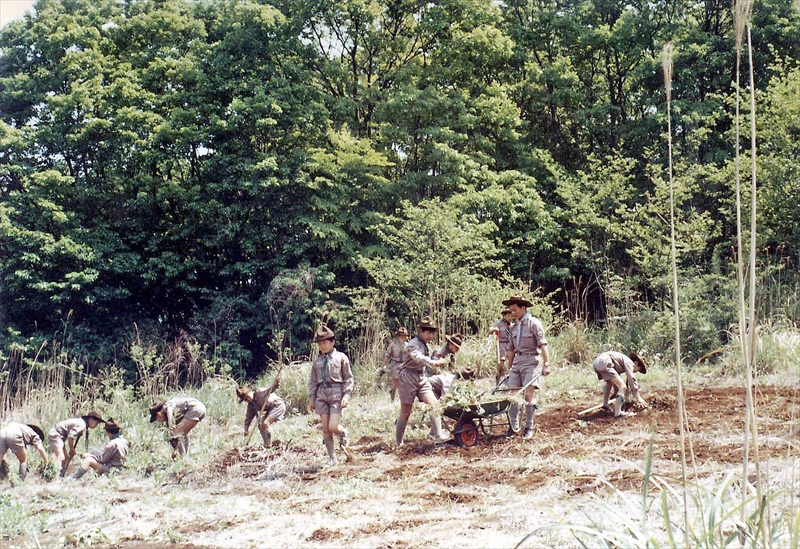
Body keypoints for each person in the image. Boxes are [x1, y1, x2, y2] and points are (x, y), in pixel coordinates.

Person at [395, 316, 450, 447]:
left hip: (421, 377)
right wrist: (434, 363)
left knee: (434, 404)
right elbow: (418, 357)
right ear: (421, 331)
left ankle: (438, 436)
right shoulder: (413, 344)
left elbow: (426, 359)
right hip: (408, 377)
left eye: (432, 332)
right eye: (428, 332)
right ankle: (398, 442)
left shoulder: (425, 344)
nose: (430, 335)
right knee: (406, 411)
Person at [503, 293, 550, 440]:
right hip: (517, 362)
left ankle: (529, 427)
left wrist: (547, 364)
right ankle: (513, 427)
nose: (512, 312)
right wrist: (509, 368)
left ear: (523, 308)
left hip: (532, 362)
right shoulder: (513, 326)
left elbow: (543, 344)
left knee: (528, 396)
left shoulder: (534, 324)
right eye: (511, 310)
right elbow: (511, 349)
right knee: (513, 396)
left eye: (515, 309)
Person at [308, 324, 354, 464]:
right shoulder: (317, 362)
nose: (322, 346)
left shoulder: (341, 358)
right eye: (320, 344)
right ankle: (332, 457)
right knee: (326, 429)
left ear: (333, 342)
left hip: (336, 394)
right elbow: (313, 382)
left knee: (333, 427)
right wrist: (312, 399)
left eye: (325, 343)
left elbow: (348, 378)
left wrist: (346, 396)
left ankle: (343, 433)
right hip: (322, 395)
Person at [48, 410, 105, 476]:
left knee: (66, 459)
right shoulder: (82, 425)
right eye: (97, 423)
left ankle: (61, 475)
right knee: (61, 457)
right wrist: (72, 449)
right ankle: (53, 475)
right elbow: (70, 437)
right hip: (56, 434)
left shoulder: (82, 423)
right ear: (91, 419)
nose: (96, 425)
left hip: (60, 436)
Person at [592, 351, 648, 417]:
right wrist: (638, 397)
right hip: (605, 361)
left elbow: (615, 380)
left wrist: (616, 392)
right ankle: (618, 413)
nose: (636, 372)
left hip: (597, 362)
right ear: (636, 363)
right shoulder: (629, 362)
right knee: (623, 387)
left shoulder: (621, 362)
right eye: (638, 369)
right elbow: (631, 378)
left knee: (609, 382)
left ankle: (605, 405)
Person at [236, 374, 286, 448]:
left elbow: (271, 389)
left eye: (247, 397)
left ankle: (269, 445)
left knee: (266, 424)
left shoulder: (260, 392)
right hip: (270, 410)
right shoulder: (251, 405)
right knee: (261, 425)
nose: (247, 399)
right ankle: (266, 444)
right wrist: (246, 430)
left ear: (250, 392)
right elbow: (248, 419)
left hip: (278, 406)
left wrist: (276, 383)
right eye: (245, 399)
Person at [381, 327, 408, 402]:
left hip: (405, 365)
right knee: (395, 382)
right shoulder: (393, 345)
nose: (403, 338)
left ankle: (404, 399)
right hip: (395, 364)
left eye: (404, 336)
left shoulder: (407, 345)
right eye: (401, 336)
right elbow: (387, 355)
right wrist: (383, 366)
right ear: (398, 336)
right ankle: (392, 398)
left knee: (405, 382)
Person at [489, 308, 514, 383]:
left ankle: (511, 381)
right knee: (501, 364)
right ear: (505, 316)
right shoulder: (499, 323)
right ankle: (498, 380)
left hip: (511, 344)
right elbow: (490, 330)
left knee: (512, 364)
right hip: (501, 344)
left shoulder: (514, 324)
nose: (510, 318)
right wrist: (494, 329)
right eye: (508, 316)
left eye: (511, 316)